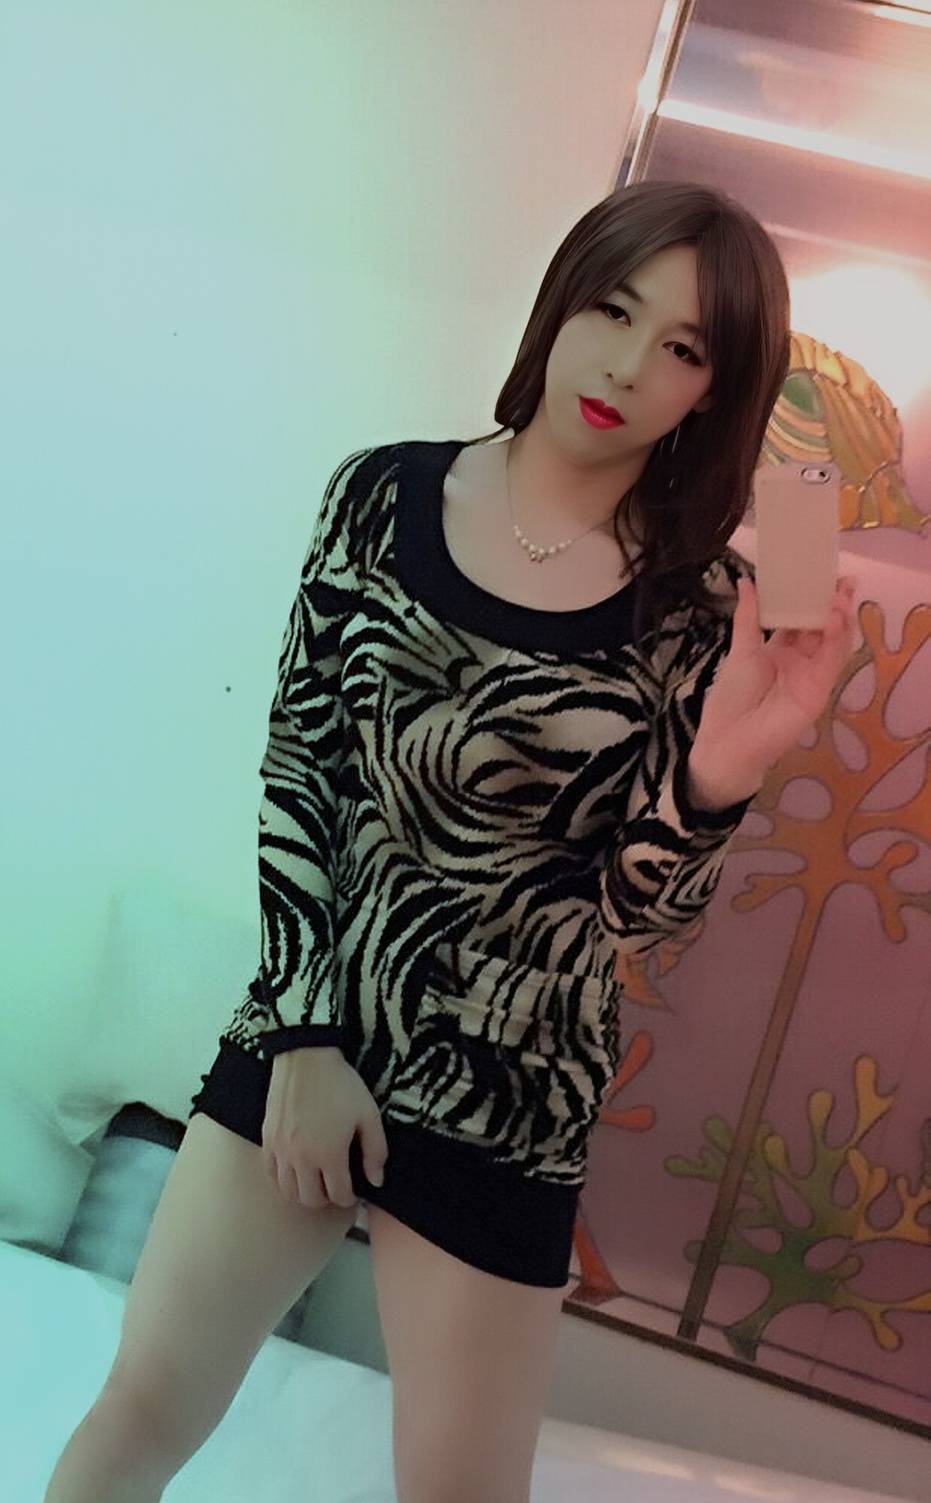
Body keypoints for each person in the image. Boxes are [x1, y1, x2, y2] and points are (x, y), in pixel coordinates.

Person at [44, 179, 857, 1503]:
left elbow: (636, 920)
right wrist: (305, 1038)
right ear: (562, 301)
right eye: (614, 310)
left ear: (713, 392)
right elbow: (302, 774)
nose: (627, 365)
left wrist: (721, 778)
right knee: (141, 1408)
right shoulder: (381, 495)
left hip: (512, 1090)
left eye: (683, 347)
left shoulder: (704, 608)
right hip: (314, 1026)